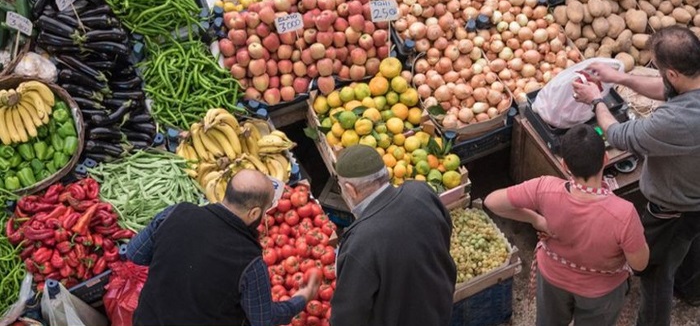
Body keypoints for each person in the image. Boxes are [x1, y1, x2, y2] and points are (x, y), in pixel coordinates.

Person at [573, 25, 700, 326]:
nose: (657, 74)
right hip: (696, 197)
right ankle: (693, 290)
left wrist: (595, 101)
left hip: (674, 210)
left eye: (657, 69)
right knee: (691, 244)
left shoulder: (677, 121)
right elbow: (669, 90)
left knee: (655, 273)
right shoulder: (690, 83)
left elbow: (619, 136)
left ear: (672, 74)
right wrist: (619, 78)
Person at [484, 125, 649, 326]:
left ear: (564, 165)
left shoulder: (544, 187)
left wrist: (536, 220)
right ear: (605, 159)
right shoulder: (624, 213)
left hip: (552, 279)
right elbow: (639, 264)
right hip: (600, 293)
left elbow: (492, 202)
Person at [127, 169, 319, 326]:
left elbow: (135, 253)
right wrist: (302, 298)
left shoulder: (176, 212)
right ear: (254, 213)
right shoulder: (248, 260)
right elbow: (263, 320)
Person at [329, 144, 457, 326]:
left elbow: (347, 316)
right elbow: (445, 231)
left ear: (350, 189)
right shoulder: (421, 192)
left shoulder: (359, 243)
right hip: (439, 308)